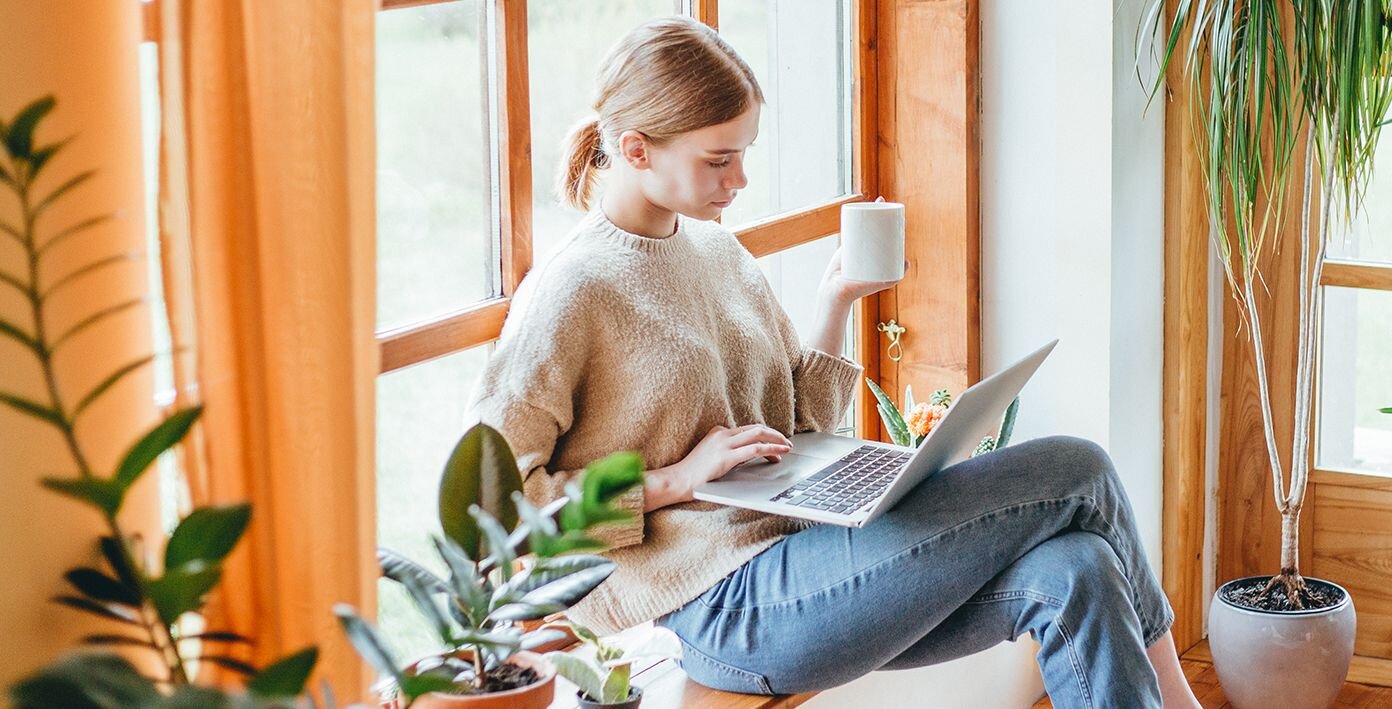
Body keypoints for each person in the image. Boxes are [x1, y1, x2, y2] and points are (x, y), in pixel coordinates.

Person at [465, 16, 1196, 708]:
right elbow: (495, 510)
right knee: (1077, 466)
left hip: (814, 557)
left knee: (1078, 569)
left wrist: (837, 298)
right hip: (724, 606)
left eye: (745, 153)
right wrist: (675, 479)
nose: (740, 179)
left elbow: (798, 425)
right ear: (634, 149)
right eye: (718, 159)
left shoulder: (717, 250)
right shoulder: (571, 292)